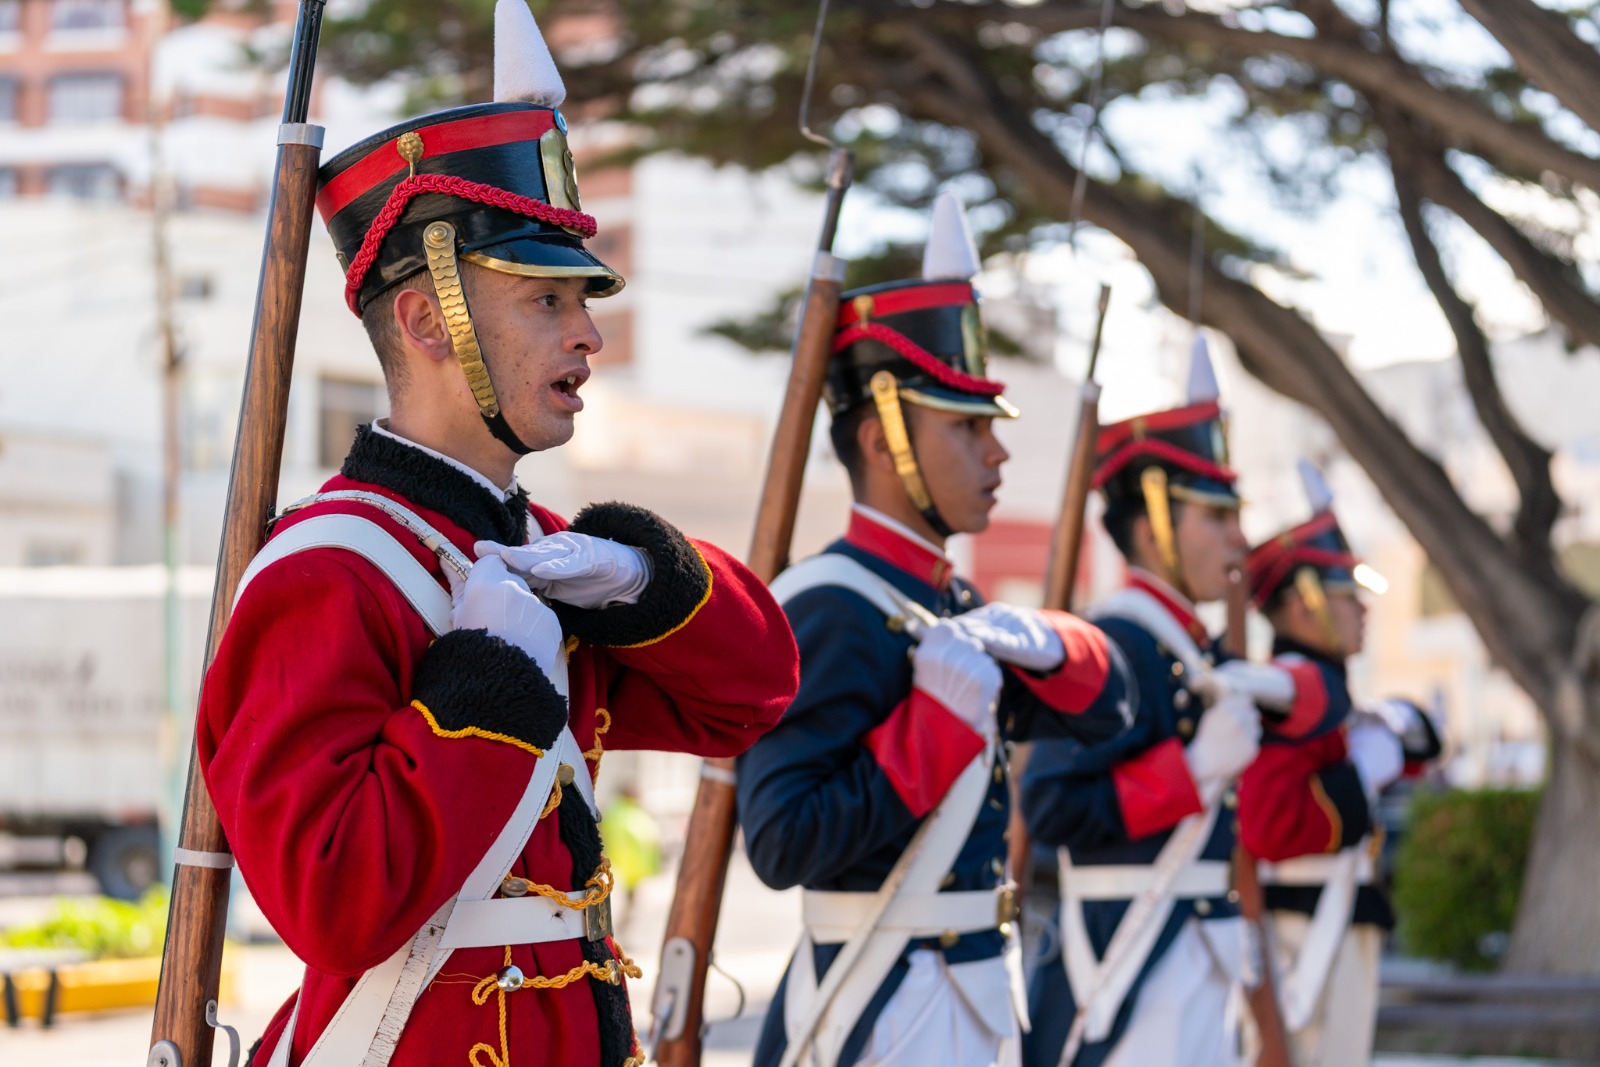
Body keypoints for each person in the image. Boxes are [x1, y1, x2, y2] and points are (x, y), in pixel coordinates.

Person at [194, 4, 799, 1065]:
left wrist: (639, 574)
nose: (589, 333)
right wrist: (480, 687)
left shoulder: (546, 554)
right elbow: (330, 900)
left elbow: (748, 697)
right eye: (545, 300)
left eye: (582, 298)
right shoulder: (330, 567)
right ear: (429, 322)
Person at [737, 192, 1136, 1067]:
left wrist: (1056, 642)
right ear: (883, 440)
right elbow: (780, 838)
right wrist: (932, 736)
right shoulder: (826, 603)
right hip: (880, 1003)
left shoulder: (954, 605)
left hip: (975, 995)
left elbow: (1110, 711)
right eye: (966, 427)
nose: (996, 454)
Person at [1020, 337, 1264, 1067]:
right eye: (1215, 517)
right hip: (1129, 956)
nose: (1237, 537)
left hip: (1192, 952)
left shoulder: (1197, 648)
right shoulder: (1117, 642)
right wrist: (1188, 772)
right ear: (1156, 521)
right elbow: (1054, 804)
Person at [1236, 460, 1442, 1067]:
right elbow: (1267, 825)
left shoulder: (1324, 691)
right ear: (1302, 605)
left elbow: (1421, 747)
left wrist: (1396, 733)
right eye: (1346, 596)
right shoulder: (1289, 692)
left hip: (1339, 914)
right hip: (1301, 927)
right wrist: (1355, 778)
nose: (1363, 610)